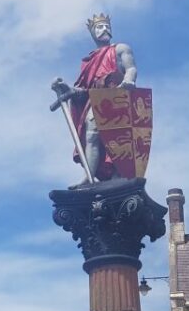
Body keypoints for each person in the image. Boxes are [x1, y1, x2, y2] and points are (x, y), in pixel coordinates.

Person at [54, 14, 138, 187]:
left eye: (107, 26)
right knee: (91, 134)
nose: (104, 29)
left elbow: (130, 68)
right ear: (93, 33)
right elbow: (85, 91)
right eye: (99, 27)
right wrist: (68, 89)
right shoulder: (89, 61)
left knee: (117, 137)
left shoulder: (120, 49)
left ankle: (118, 173)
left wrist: (129, 80)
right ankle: (89, 175)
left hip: (117, 95)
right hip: (98, 100)